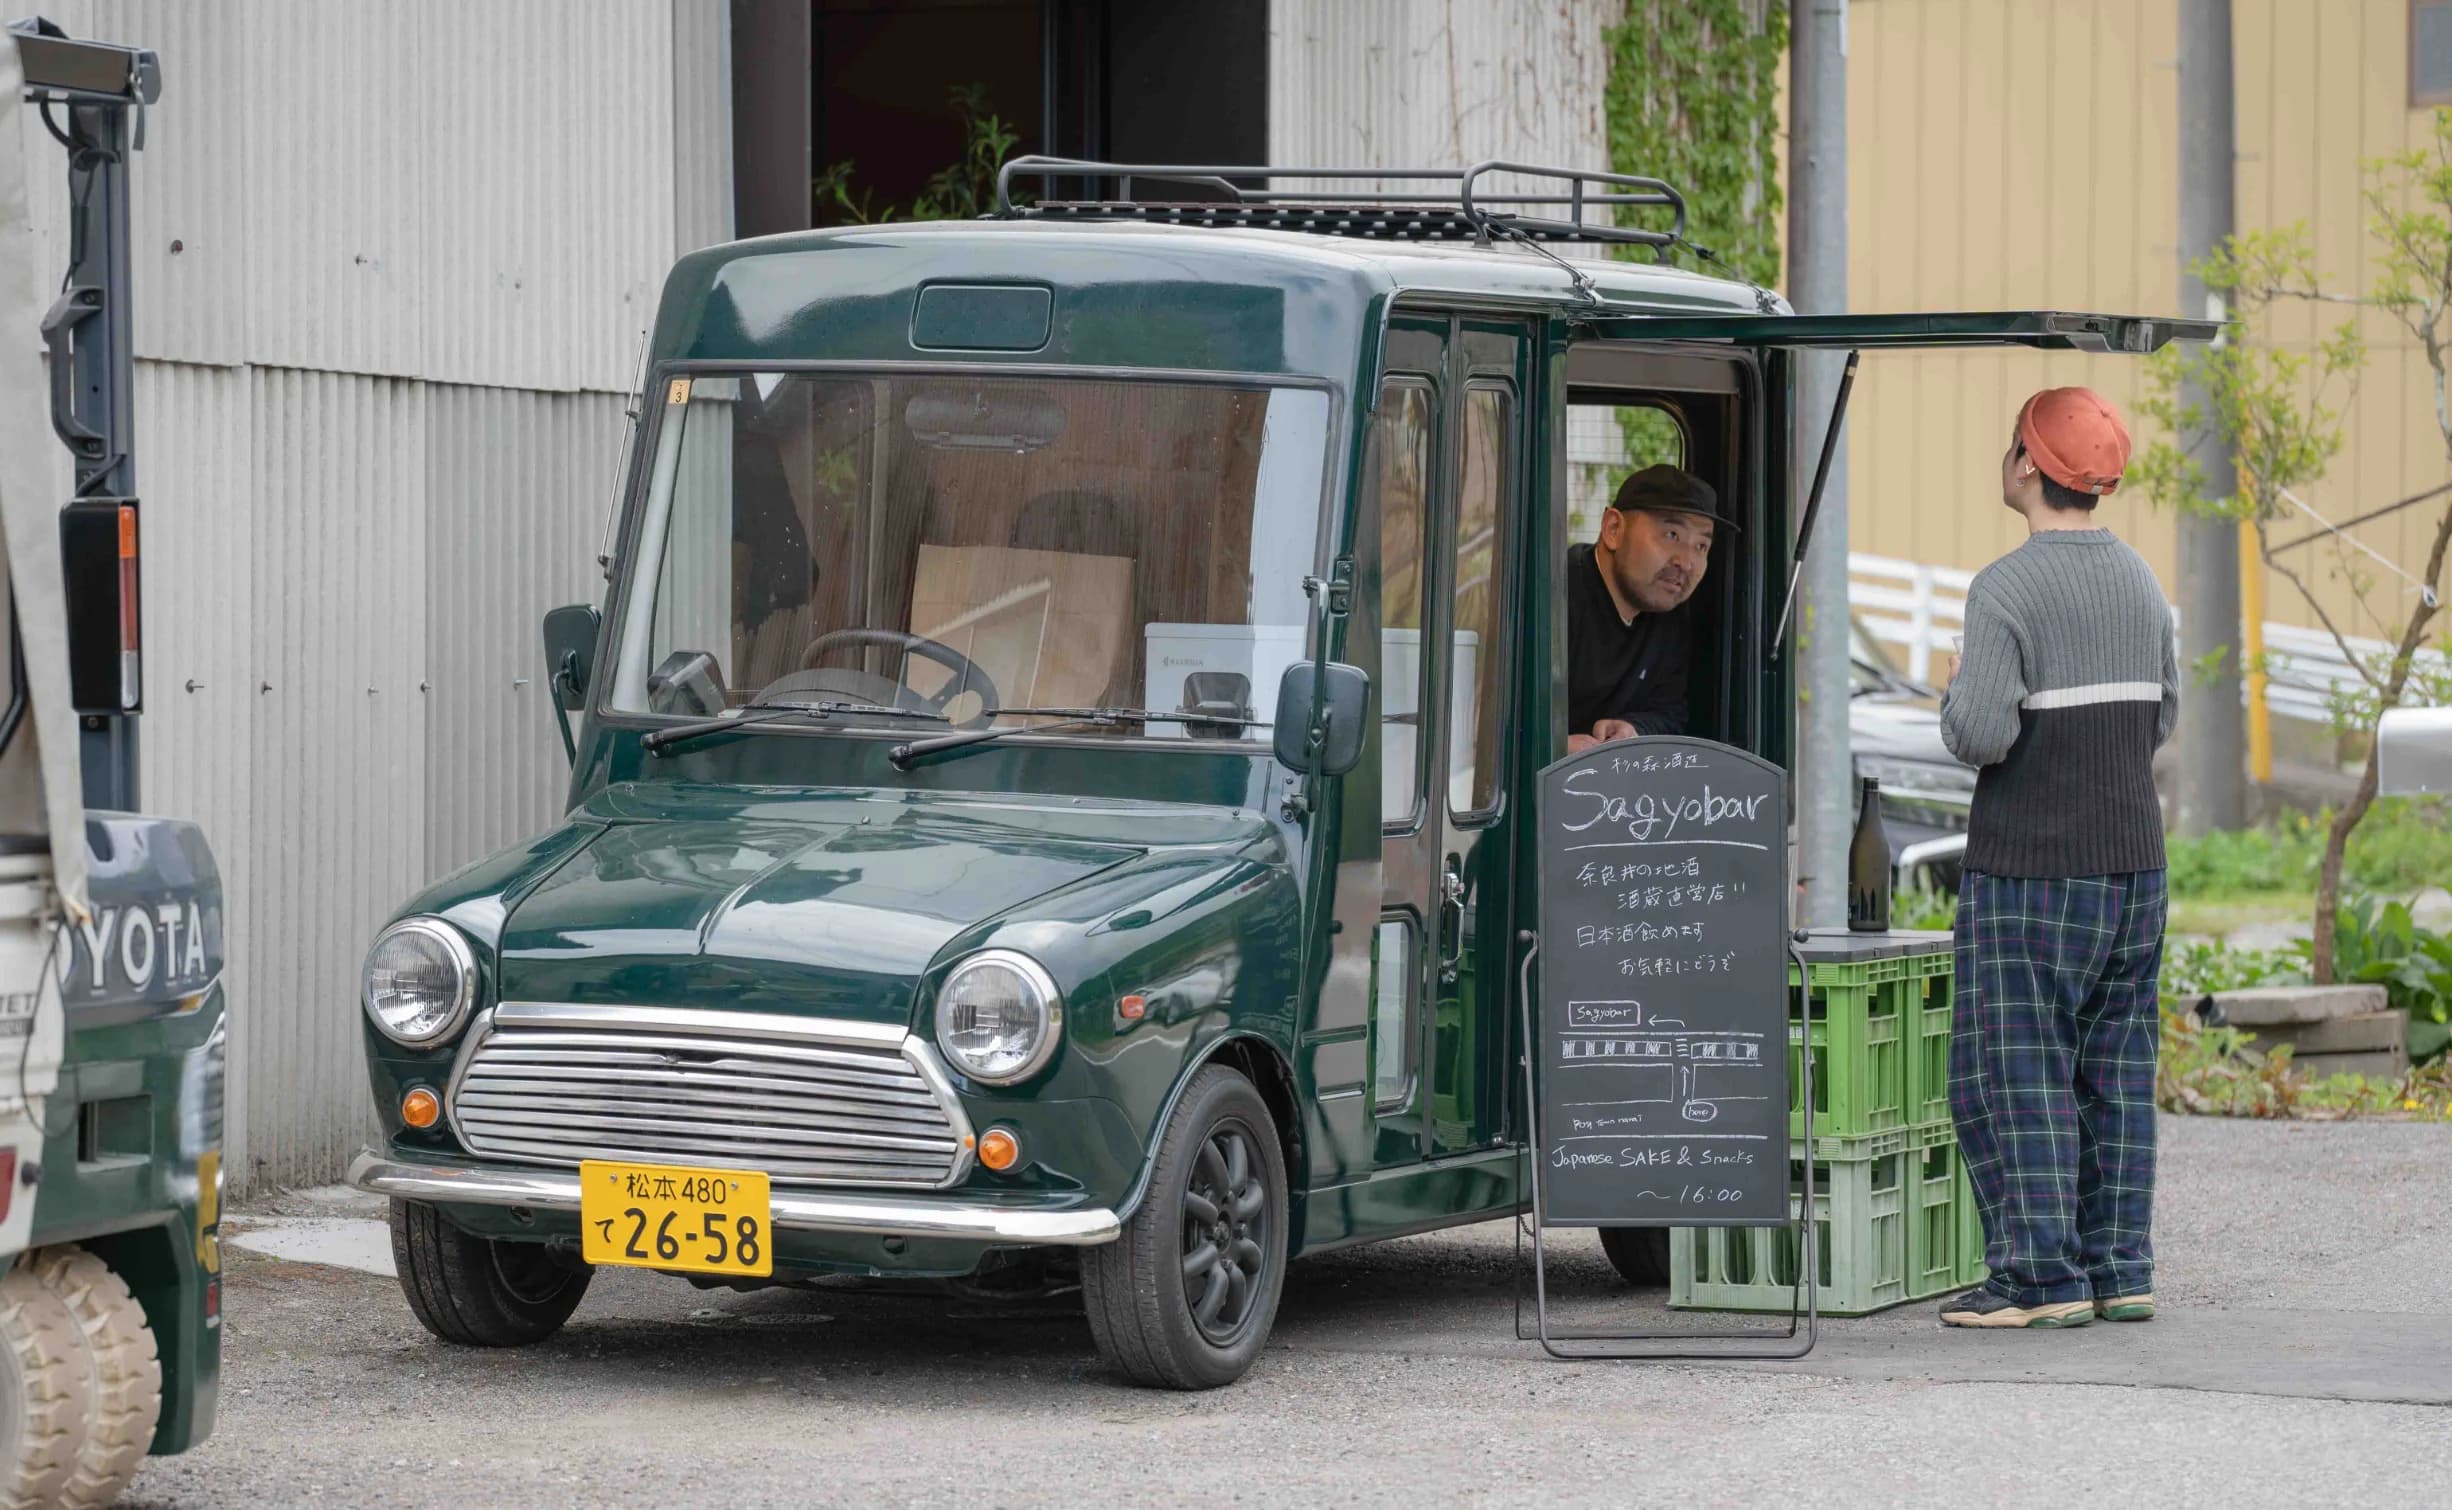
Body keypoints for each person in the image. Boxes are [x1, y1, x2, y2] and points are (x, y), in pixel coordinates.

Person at [1936, 387, 2178, 1329]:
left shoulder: (2005, 588)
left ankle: (2038, 1281)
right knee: (2116, 1069)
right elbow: (2163, 719)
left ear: (2029, 466)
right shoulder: (2142, 584)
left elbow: (1983, 736)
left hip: (2032, 869)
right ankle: (2121, 1269)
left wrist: (1954, 697)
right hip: (2135, 865)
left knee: (2011, 1069)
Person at [1565, 464, 1729, 754]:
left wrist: (1633, 730)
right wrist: (1552, 747)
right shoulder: (1559, 595)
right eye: (1671, 535)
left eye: (1702, 546)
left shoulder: (1668, 611)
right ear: (1613, 529)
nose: (1687, 562)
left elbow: (1669, 711)